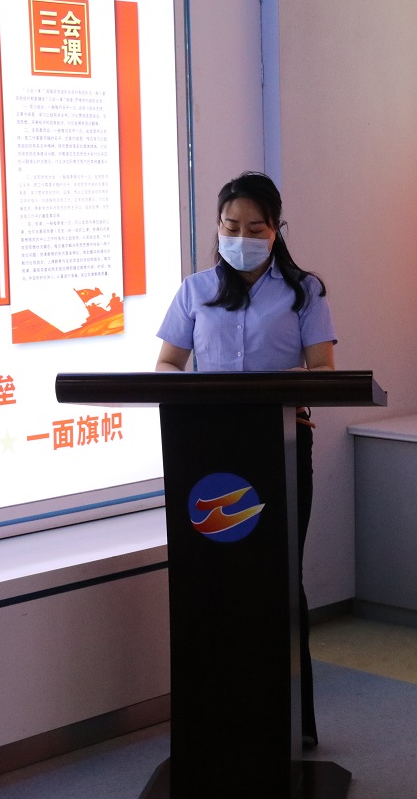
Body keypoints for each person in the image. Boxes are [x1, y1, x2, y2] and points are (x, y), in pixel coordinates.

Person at [156, 171, 336, 749]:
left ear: (276, 229)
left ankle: (292, 724)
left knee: (279, 578)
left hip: (278, 447)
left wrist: (286, 394)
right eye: (230, 226)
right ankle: (218, 721)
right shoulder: (195, 290)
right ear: (217, 227)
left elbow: (324, 371)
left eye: (255, 228)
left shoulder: (305, 291)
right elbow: (167, 366)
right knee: (214, 582)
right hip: (208, 453)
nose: (241, 237)